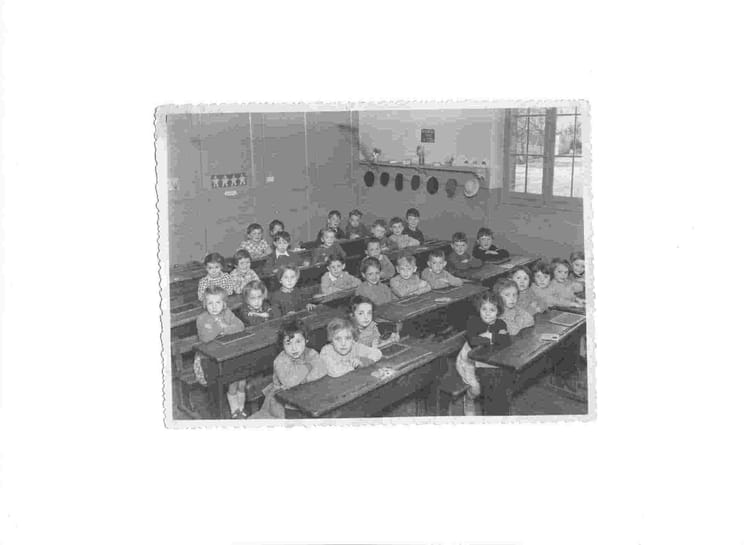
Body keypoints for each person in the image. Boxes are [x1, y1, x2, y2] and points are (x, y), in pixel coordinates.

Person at [253, 319, 327, 418]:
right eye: (288, 343)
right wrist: (308, 367)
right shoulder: (280, 360)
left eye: (298, 342)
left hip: (306, 394)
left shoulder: (311, 352)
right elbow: (289, 382)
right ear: (282, 345)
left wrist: (304, 380)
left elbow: (322, 369)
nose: (294, 348)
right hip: (283, 402)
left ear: (306, 340)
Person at [192, 286, 247, 418]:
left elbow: (240, 326)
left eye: (218, 302)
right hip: (206, 359)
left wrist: (223, 329)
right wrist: (223, 328)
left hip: (226, 353)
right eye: (210, 303)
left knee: (241, 378)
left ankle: (240, 409)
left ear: (224, 304)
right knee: (233, 378)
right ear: (205, 304)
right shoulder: (202, 318)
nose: (214, 306)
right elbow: (206, 337)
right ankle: (233, 411)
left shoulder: (227, 313)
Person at [454, 291, 511, 416]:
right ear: (479, 309)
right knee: (476, 388)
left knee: (497, 380)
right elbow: (473, 341)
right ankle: (469, 399)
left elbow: (506, 340)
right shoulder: (473, 322)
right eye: (484, 309)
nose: (487, 313)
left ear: (498, 312)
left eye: (492, 310)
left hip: (486, 360)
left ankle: (497, 410)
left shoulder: (501, 324)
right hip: (468, 361)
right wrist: (495, 338)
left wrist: (489, 336)